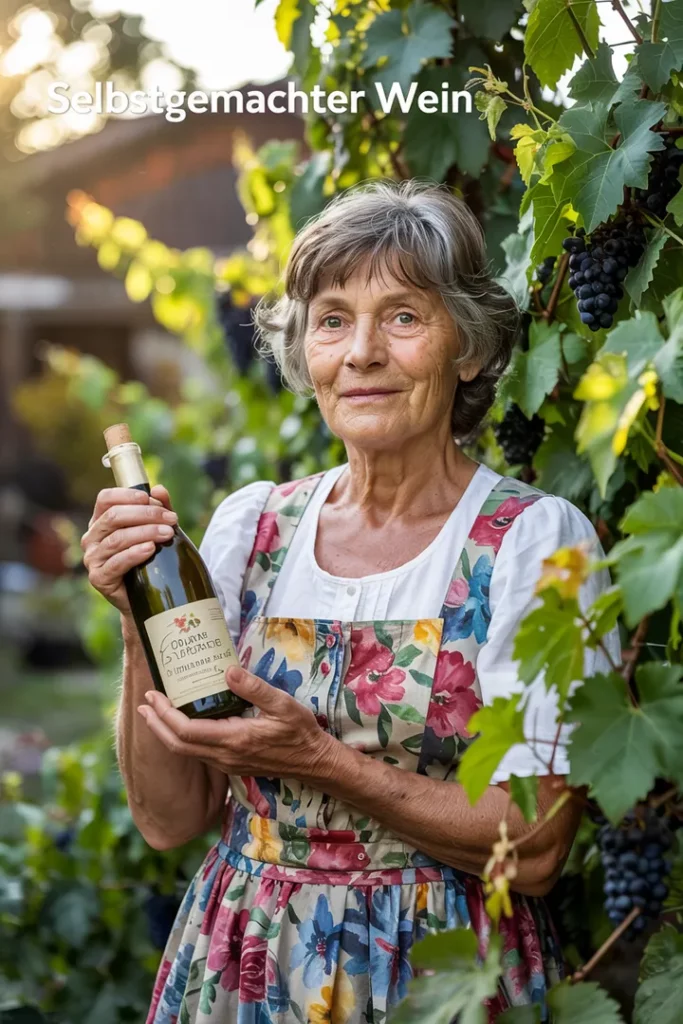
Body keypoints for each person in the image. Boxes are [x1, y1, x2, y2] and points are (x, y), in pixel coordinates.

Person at [81, 180, 621, 1023]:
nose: (361, 352)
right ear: (307, 351)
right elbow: (171, 816)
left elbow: (537, 847)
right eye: (332, 320)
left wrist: (323, 760)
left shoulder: (535, 543)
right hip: (246, 966)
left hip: (439, 977)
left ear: (467, 347)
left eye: (402, 317)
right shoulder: (251, 529)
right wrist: (134, 619)